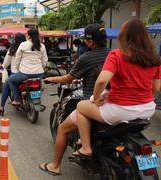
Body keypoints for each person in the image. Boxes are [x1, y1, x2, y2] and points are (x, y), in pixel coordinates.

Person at [73, 18, 161, 158]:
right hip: (147, 109)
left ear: (124, 36)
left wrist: (95, 99)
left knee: (81, 106)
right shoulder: (154, 58)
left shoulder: (117, 55)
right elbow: (156, 87)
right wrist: (141, 99)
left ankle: (86, 147)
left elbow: (102, 81)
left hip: (121, 110)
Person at [39, 24, 110, 176]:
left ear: (91, 41)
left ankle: (55, 166)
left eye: (86, 39)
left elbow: (67, 78)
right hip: (113, 101)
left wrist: (53, 79)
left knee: (63, 129)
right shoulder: (113, 55)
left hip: (94, 102)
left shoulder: (86, 57)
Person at [7, 29, 48, 105]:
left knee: (10, 80)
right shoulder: (42, 46)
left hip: (25, 73)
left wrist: (18, 68)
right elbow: (45, 60)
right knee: (38, 86)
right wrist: (41, 67)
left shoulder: (23, 44)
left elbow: (17, 59)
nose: (25, 35)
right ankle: (37, 98)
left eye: (26, 34)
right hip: (39, 73)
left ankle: (17, 99)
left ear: (29, 36)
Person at [0, 33, 26, 116]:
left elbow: (6, 62)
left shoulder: (12, 49)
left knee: (7, 85)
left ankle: (2, 107)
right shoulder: (28, 48)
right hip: (31, 73)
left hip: (16, 73)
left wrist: (2, 67)